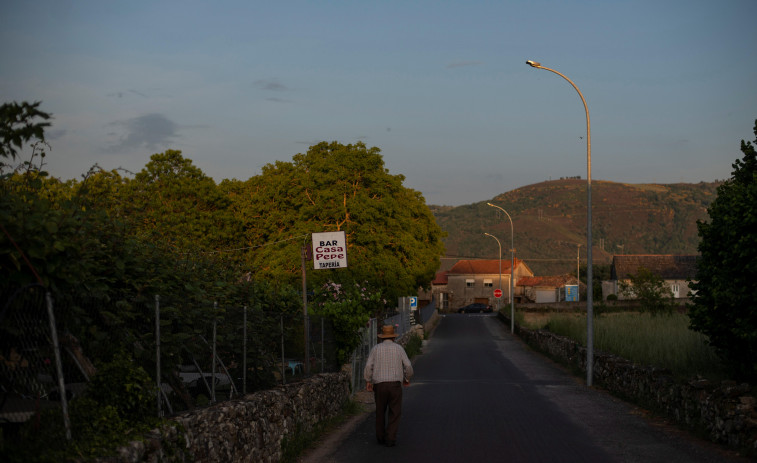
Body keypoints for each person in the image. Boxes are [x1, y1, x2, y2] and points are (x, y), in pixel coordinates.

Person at [363, 324, 414, 447]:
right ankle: (390, 438)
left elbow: (369, 366)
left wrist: (368, 381)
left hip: (379, 385)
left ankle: (380, 437)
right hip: (395, 385)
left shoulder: (375, 349)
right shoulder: (399, 348)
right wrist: (406, 378)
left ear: (381, 337)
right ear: (393, 337)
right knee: (395, 412)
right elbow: (408, 366)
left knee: (380, 411)